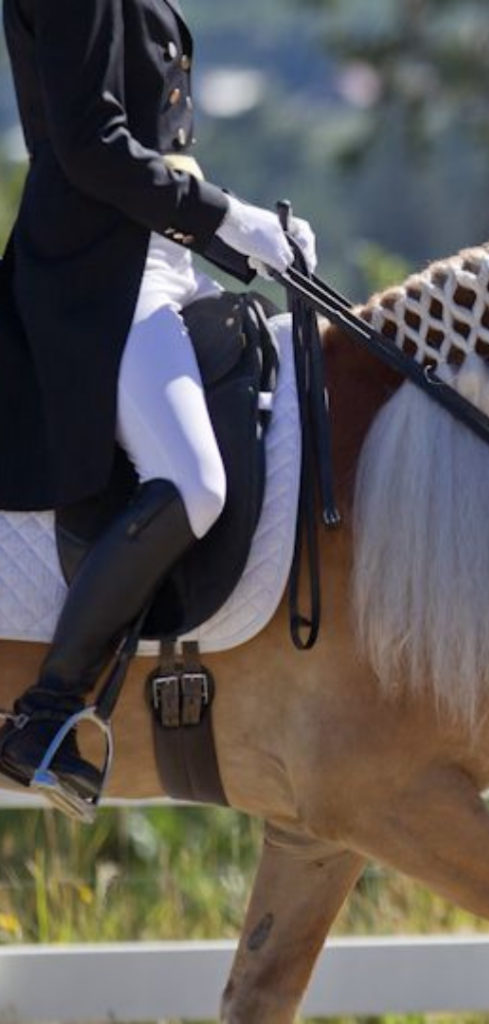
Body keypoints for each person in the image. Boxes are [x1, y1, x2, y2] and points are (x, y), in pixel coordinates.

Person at [0, 0, 315, 813]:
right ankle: (46, 714)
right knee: (194, 483)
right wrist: (226, 217)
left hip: (158, 260)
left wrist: (231, 235)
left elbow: (149, 151)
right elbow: (91, 147)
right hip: (99, 281)